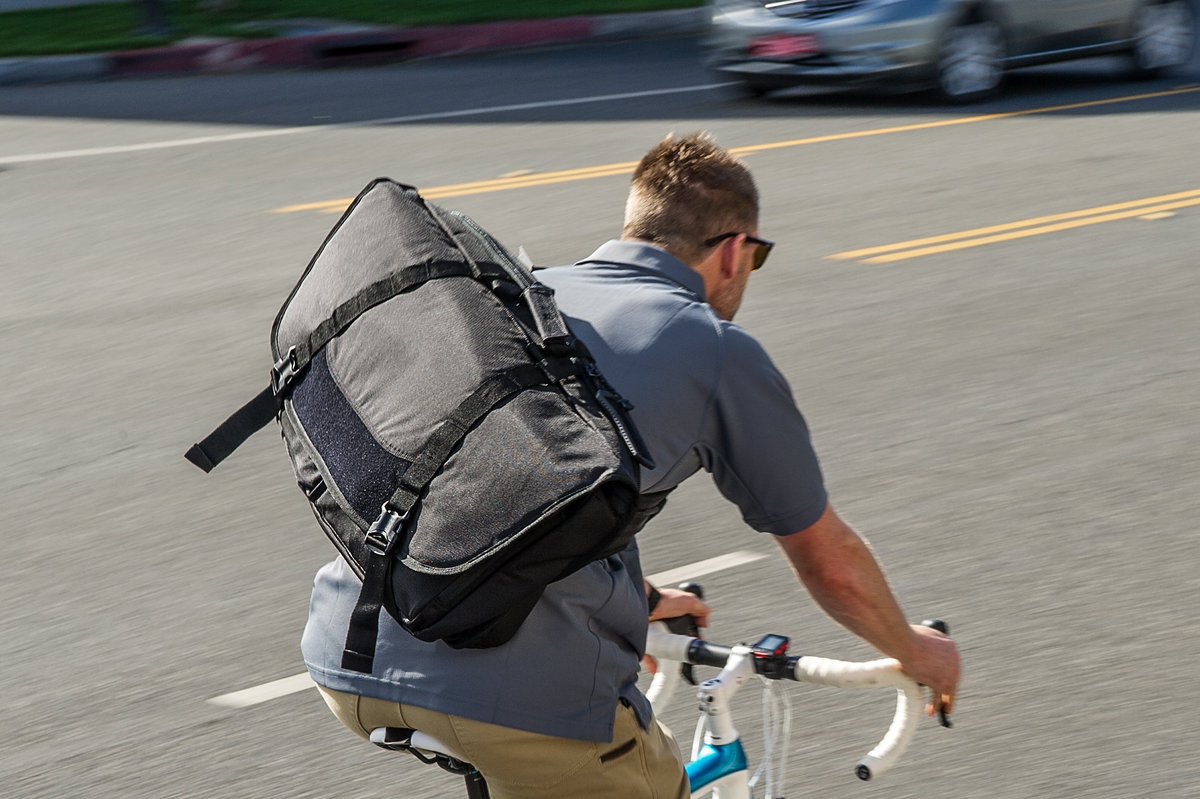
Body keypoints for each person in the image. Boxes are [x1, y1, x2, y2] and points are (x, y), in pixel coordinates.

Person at [302, 132, 960, 798]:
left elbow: (508, 492)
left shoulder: (523, 300)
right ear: (734, 251)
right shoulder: (718, 350)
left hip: (347, 650)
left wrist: (641, 602)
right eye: (755, 258)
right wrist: (914, 649)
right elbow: (829, 562)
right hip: (511, 693)